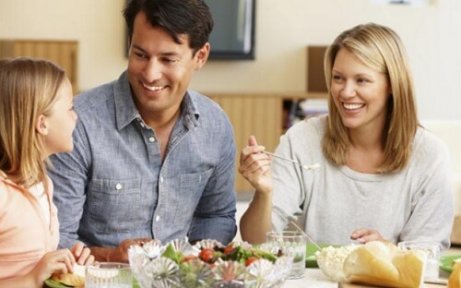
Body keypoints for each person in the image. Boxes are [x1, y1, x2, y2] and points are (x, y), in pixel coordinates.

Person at [48, 0, 237, 263]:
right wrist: (110, 256)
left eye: (168, 59)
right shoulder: (78, 123)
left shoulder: (215, 125)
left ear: (200, 56)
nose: (150, 74)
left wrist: (196, 261)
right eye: (140, 55)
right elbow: (55, 237)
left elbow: (217, 216)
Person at [239, 23, 454, 249]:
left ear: (392, 84)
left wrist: (389, 252)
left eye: (362, 80)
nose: (345, 92)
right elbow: (255, 240)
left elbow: (426, 254)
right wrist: (264, 192)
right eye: (338, 78)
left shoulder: (430, 155)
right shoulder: (302, 139)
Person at [0, 58, 94, 287]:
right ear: (42, 124)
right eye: (70, 108)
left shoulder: (43, 184)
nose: (75, 116)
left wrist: (66, 259)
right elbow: (31, 274)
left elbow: (35, 259)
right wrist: (32, 279)